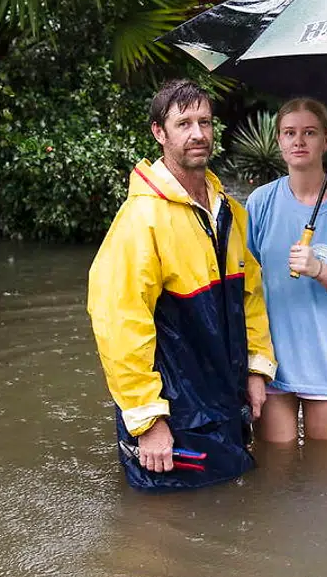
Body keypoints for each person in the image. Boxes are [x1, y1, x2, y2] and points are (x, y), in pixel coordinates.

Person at [87, 79, 277, 491]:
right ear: (160, 132)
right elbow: (119, 324)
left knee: (232, 511)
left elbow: (251, 296)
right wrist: (147, 420)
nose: (198, 134)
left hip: (226, 404)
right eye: (184, 123)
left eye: (204, 122)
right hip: (172, 418)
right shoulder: (140, 220)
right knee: (163, 523)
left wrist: (256, 369)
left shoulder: (230, 213)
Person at [246, 98, 327, 443]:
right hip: (272, 360)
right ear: (279, 140)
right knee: (274, 463)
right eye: (289, 133)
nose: (299, 141)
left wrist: (319, 269)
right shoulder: (260, 202)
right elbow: (245, 283)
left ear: (326, 140)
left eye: (310, 132)